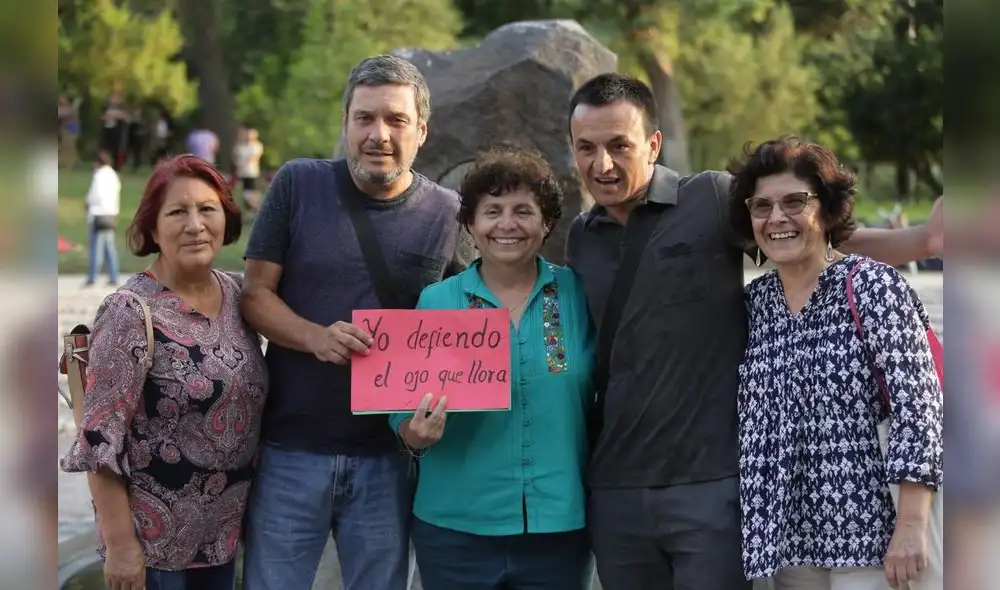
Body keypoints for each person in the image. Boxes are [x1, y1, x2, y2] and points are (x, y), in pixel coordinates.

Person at [562, 73, 944, 590]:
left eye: (618, 145)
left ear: (653, 144)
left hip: (713, 489)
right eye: (586, 148)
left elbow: (812, 235)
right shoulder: (582, 238)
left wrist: (922, 241)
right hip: (621, 490)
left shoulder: (710, 199)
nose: (601, 164)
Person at [240, 54, 473, 590]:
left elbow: (469, 324)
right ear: (345, 122)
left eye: (395, 120)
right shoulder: (298, 184)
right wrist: (315, 337)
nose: (378, 134)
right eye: (364, 118)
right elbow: (255, 296)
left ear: (422, 131)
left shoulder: (448, 212)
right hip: (289, 450)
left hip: (389, 459)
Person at [728, 138, 943, 589]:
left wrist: (910, 526)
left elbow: (918, 411)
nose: (777, 218)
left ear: (826, 210)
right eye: (761, 206)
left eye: (794, 201)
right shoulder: (754, 307)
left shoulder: (872, 287)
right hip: (787, 551)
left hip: (873, 544)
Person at [60, 154, 269, 590]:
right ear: (153, 229)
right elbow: (99, 442)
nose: (195, 224)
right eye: (177, 212)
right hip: (153, 552)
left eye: (207, 209)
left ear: (226, 220)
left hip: (221, 542)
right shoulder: (130, 312)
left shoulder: (237, 295)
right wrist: (120, 548)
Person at [389, 146, 595, 589]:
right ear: (470, 226)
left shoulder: (578, 295)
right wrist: (413, 433)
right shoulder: (437, 303)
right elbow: (400, 409)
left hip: (558, 530)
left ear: (547, 224)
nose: (507, 224)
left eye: (523, 211)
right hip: (455, 531)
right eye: (492, 211)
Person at [83, 150, 121, 287]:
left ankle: (92, 277)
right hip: (111, 215)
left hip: (98, 214)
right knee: (109, 248)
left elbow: (95, 195)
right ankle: (113, 276)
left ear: (97, 162)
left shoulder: (99, 176)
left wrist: (87, 202)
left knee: (96, 248)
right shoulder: (113, 175)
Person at [232, 125, 264, 211]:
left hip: (250, 172)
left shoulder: (257, 146)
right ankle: (249, 207)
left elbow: (254, 158)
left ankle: (257, 206)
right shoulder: (240, 146)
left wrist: (243, 163)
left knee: (249, 191)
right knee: (241, 191)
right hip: (241, 172)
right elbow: (236, 157)